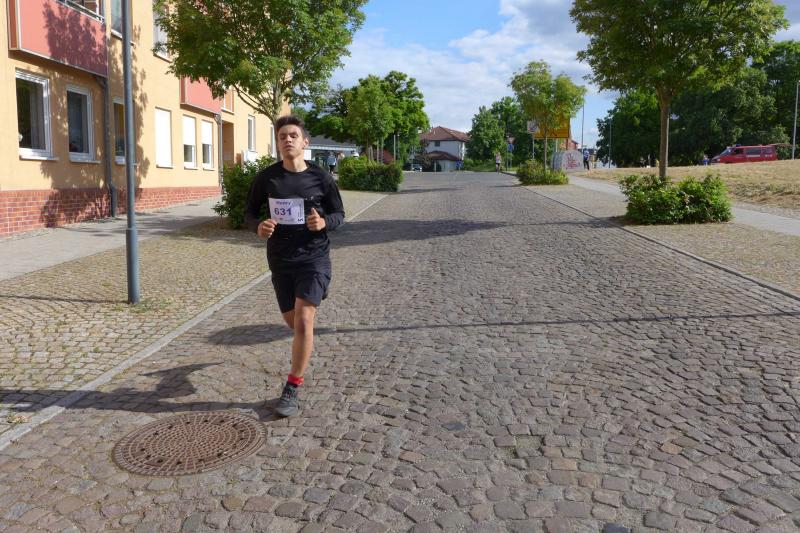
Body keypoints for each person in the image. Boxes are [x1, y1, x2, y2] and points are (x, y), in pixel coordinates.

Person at [245, 115, 345, 417]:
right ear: (278, 143)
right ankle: (308, 317)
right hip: (281, 260)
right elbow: (249, 213)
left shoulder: (321, 178)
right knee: (294, 323)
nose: (287, 140)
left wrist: (324, 222)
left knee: (303, 321)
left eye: (292, 135)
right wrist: (257, 226)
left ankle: (292, 387)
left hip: (314, 257)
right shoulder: (267, 179)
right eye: (282, 137)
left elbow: (339, 213)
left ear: (305, 142)